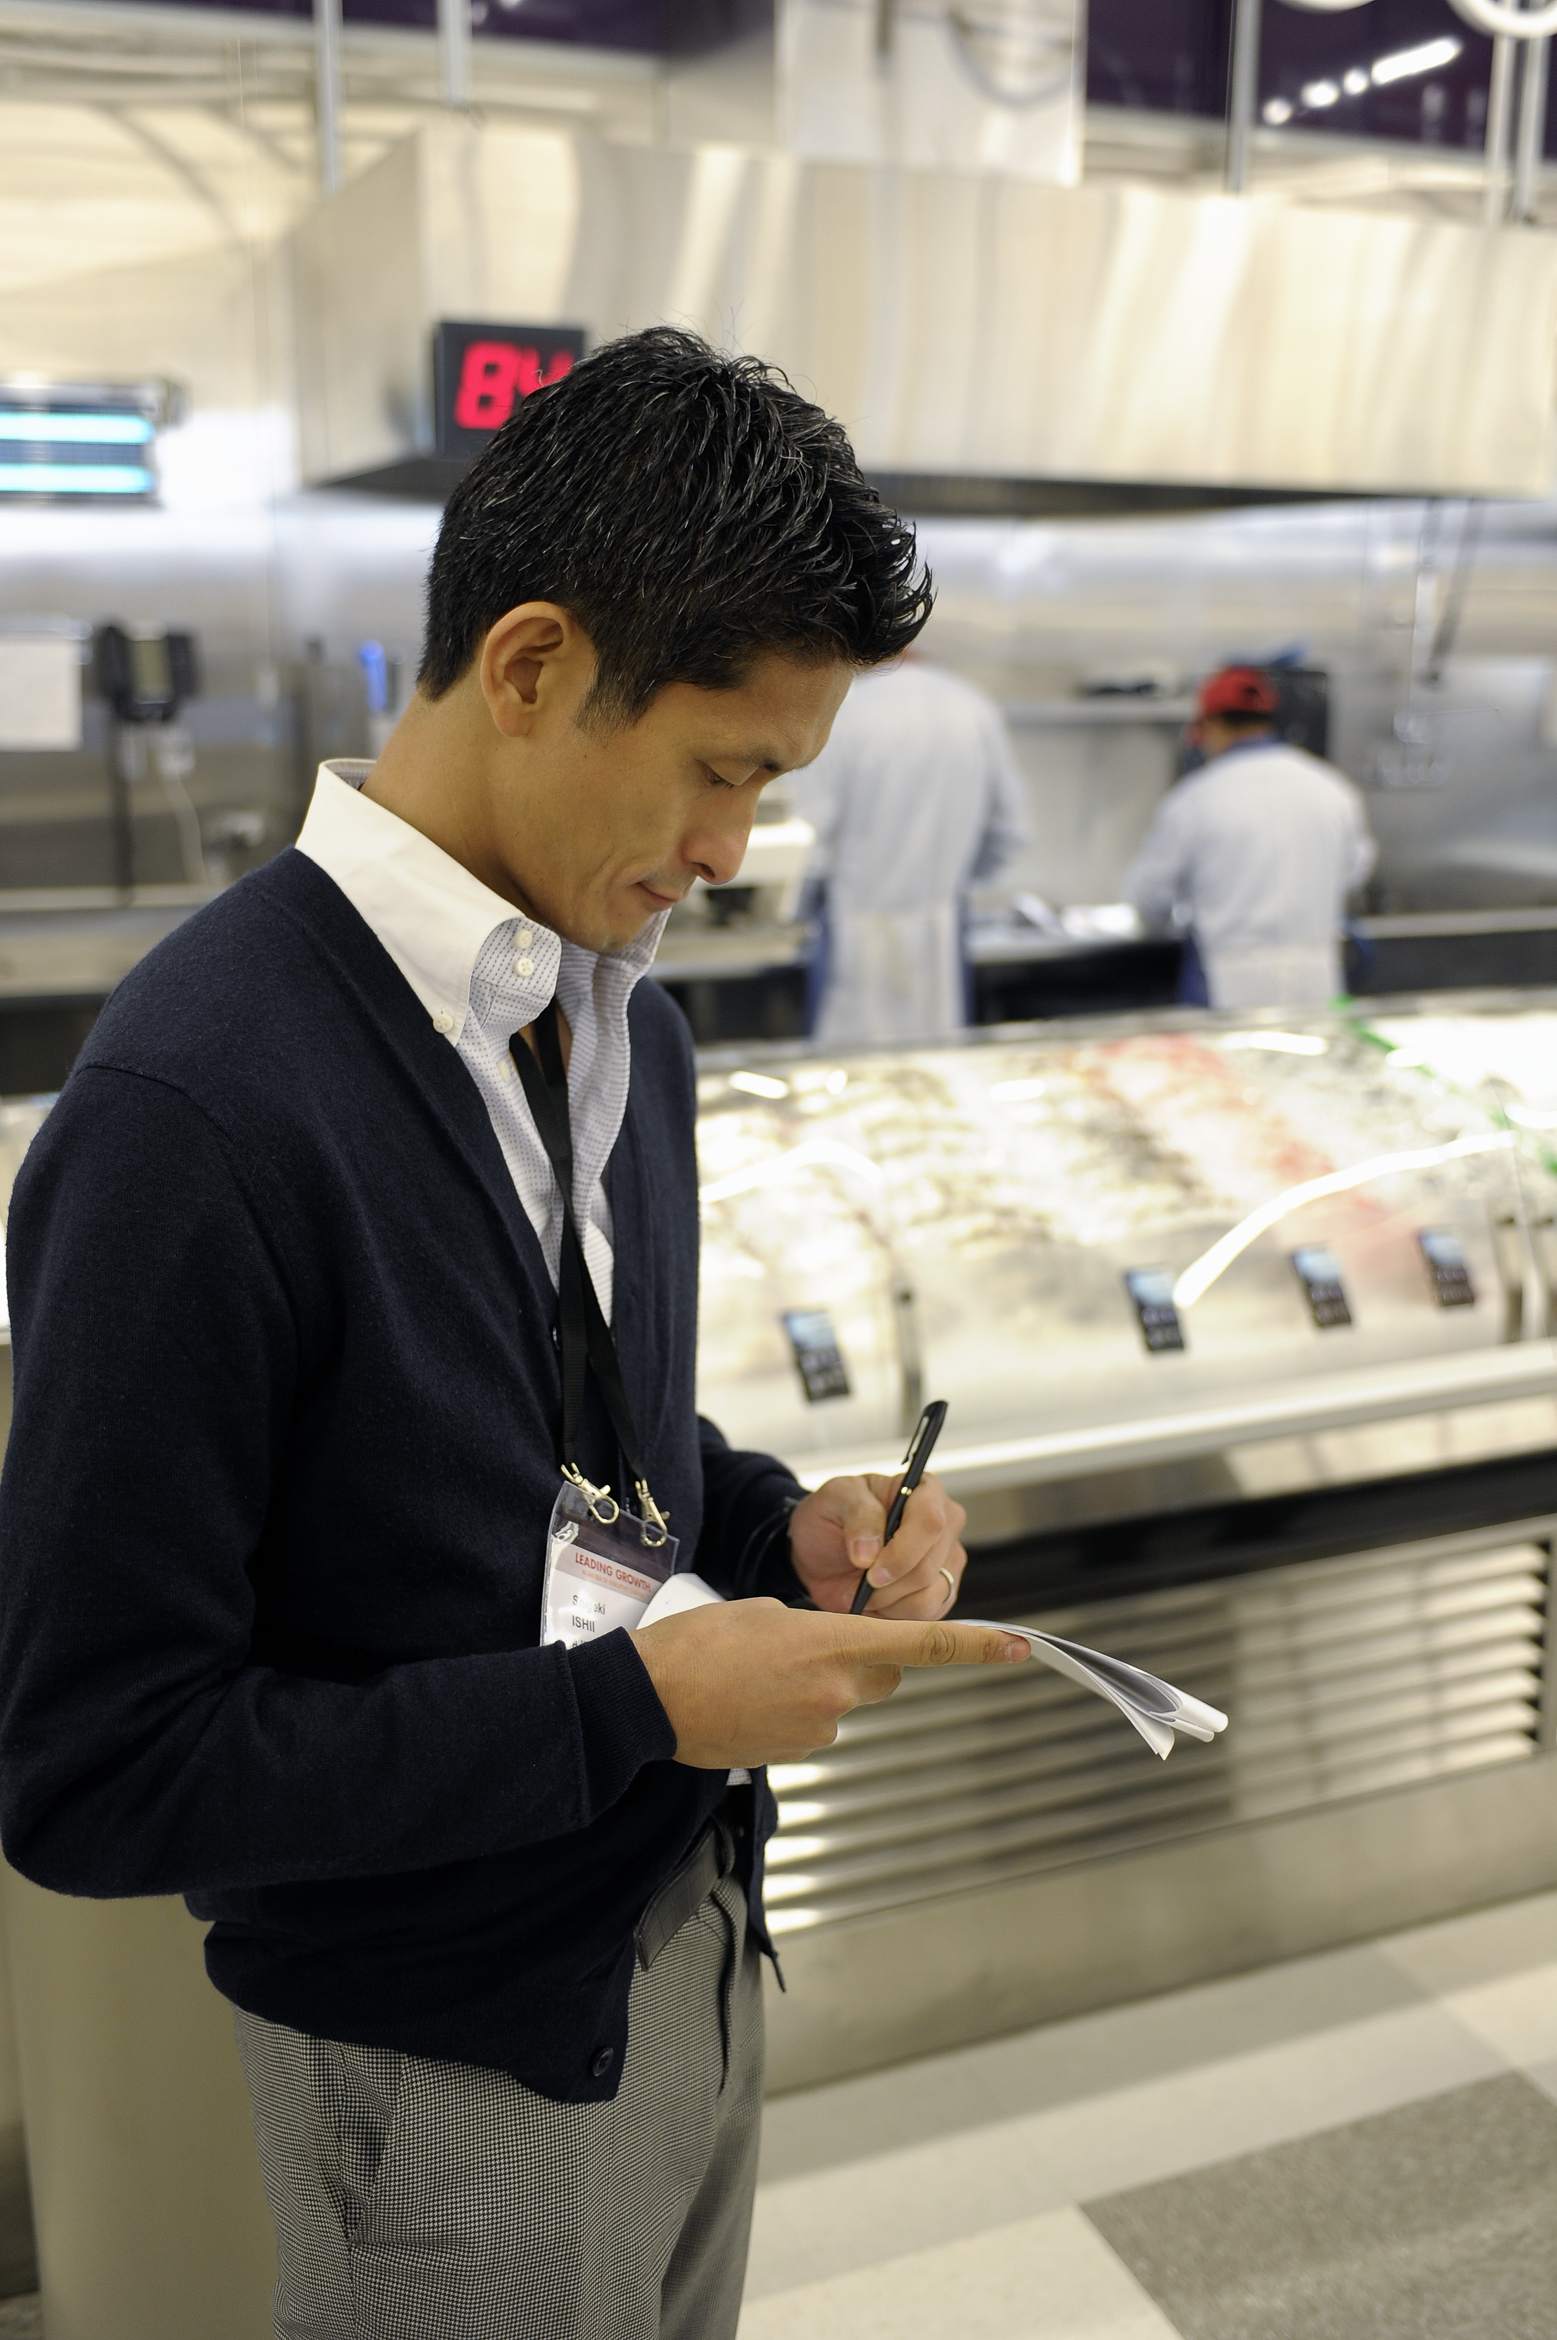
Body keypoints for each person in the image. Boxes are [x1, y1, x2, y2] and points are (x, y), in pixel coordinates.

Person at [0, 329, 1034, 2340]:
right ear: (535, 665)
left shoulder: (611, 1012)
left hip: (684, 1941)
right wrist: (631, 1711)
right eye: (721, 770)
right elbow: (96, 1771)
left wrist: (776, 1527)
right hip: (445, 2056)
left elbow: (569, 1452)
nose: (730, 851)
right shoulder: (195, 1109)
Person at [794, 651, 1030, 1045]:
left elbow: (809, 840)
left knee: (846, 1066)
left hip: (852, 929)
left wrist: (798, 913)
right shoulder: (973, 708)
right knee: (937, 1062)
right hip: (940, 928)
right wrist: (958, 882)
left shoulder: (844, 711)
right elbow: (1010, 831)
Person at [1125, 665, 1377, 1011]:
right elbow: (1355, 870)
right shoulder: (1332, 789)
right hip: (1315, 979)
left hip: (1227, 983)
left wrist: (1166, 925)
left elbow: (1150, 895)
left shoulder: (1196, 798)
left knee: (1226, 1049)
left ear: (1211, 725)